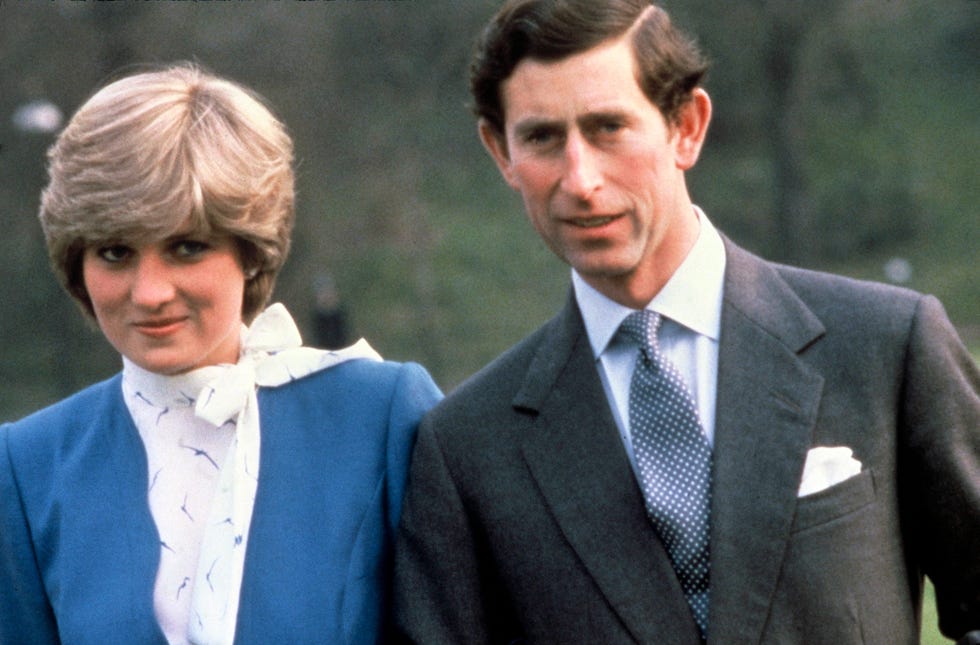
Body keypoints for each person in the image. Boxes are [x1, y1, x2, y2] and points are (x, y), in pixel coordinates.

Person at [392, 1, 979, 643]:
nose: (581, 180)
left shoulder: (886, 347)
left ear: (687, 127)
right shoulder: (467, 451)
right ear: (499, 150)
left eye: (608, 127)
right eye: (541, 138)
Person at [0, 64, 442, 644]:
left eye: (187, 247)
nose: (150, 291)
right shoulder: (26, 466)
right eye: (114, 252)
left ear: (250, 251)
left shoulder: (381, 415)